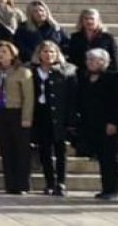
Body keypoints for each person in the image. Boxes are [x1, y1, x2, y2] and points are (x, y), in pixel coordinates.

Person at [0, 41, 34, 195]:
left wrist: (26, 117)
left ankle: (22, 184)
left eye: (5, 51)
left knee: (21, 149)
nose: (1, 54)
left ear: (13, 54)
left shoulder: (22, 72)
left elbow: (29, 97)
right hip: (0, 111)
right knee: (6, 149)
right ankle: (10, 183)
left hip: (17, 112)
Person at [73, 48, 118, 200]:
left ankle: (113, 189)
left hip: (109, 123)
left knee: (110, 156)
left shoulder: (114, 77)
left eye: (94, 60)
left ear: (104, 62)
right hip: (92, 123)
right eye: (89, 60)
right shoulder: (86, 78)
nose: (90, 63)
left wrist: (114, 122)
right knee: (101, 156)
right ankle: (105, 188)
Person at [30, 40, 76, 196]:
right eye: (45, 52)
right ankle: (49, 182)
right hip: (41, 113)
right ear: (39, 54)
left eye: (52, 52)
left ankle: (61, 182)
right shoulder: (33, 71)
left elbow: (72, 98)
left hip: (59, 114)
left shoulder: (66, 71)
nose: (48, 55)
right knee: (44, 151)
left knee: (60, 150)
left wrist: (71, 119)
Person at [66, 8, 118, 74]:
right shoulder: (75, 37)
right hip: (81, 75)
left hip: (103, 75)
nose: (89, 21)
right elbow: (72, 58)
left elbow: (114, 58)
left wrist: (116, 73)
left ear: (98, 21)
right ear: (82, 21)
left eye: (92, 19)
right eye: (86, 18)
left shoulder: (107, 37)